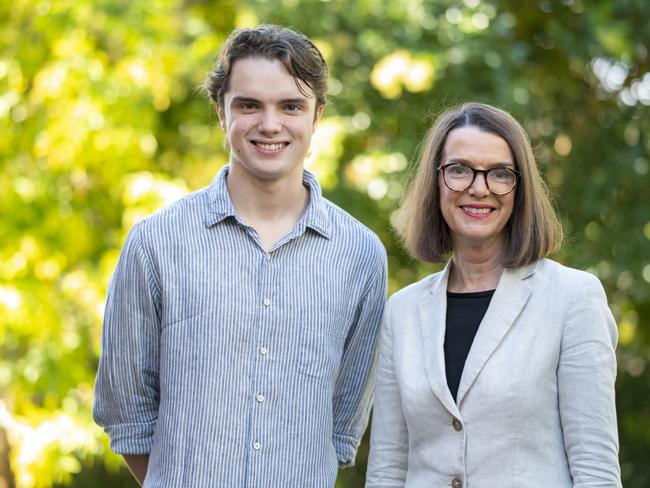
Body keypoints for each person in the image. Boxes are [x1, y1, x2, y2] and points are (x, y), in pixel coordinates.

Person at [93, 25, 387, 487]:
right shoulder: (156, 243)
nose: (270, 124)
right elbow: (126, 411)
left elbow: (343, 423)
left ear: (317, 117)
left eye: (291, 106)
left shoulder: (361, 255)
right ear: (221, 113)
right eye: (249, 105)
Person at [365, 102, 621, 487]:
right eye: (459, 170)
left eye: (500, 173)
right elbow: (387, 470)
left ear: (520, 188)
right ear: (435, 181)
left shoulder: (573, 298)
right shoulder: (401, 312)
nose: (479, 188)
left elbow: (596, 471)